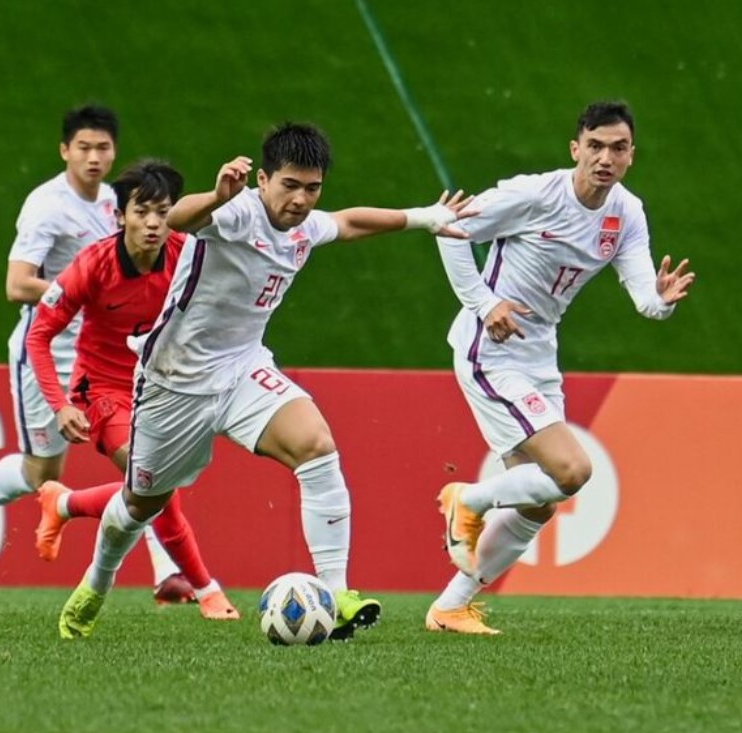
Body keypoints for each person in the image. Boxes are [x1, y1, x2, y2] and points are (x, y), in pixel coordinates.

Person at [56, 121, 475, 639]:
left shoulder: (305, 226)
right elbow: (175, 220)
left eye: (311, 187)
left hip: (244, 369)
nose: (300, 199)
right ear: (263, 179)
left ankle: (336, 592)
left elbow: (348, 223)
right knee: (142, 503)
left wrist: (425, 218)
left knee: (317, 446)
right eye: (290, 185)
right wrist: (216, 195)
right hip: (174, 383)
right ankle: (97, 582)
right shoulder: (235, 213)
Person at [428, 101, 695, 635]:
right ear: (575, 148)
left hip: (539, 357)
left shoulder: (627, 214)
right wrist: (486, 304)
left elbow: (645, 296)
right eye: (594, 146)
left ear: (630, 156)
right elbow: (446, 228)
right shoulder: (534, 194)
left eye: (617, 148)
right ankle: (467, 500)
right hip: (490, 349)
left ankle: (451, 607)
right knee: (572, 471)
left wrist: (662, 299)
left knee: (542, 501)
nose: (605, 158)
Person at [0, 105, 190, 602]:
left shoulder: (120, 202)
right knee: (43, 473)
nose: (93, 157)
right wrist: (80, 290)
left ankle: (168, 571)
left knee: (143, 464)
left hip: (111, 354)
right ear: (64, 151)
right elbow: (16, 284)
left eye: (102, 147)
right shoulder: (46, 206)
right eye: (83, 147)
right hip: (50, 350)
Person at [25, 159, 239, 621]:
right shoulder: (92, 265)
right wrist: (60, 405)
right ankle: (207, 589)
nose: (153, 223)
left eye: (164, 212)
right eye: (142, 211)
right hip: (102, 391)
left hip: (164, 391)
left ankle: (61, 502)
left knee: (148, 489)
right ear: (120, 215)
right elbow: (38, 335)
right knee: (155, 482)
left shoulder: (187, 256)